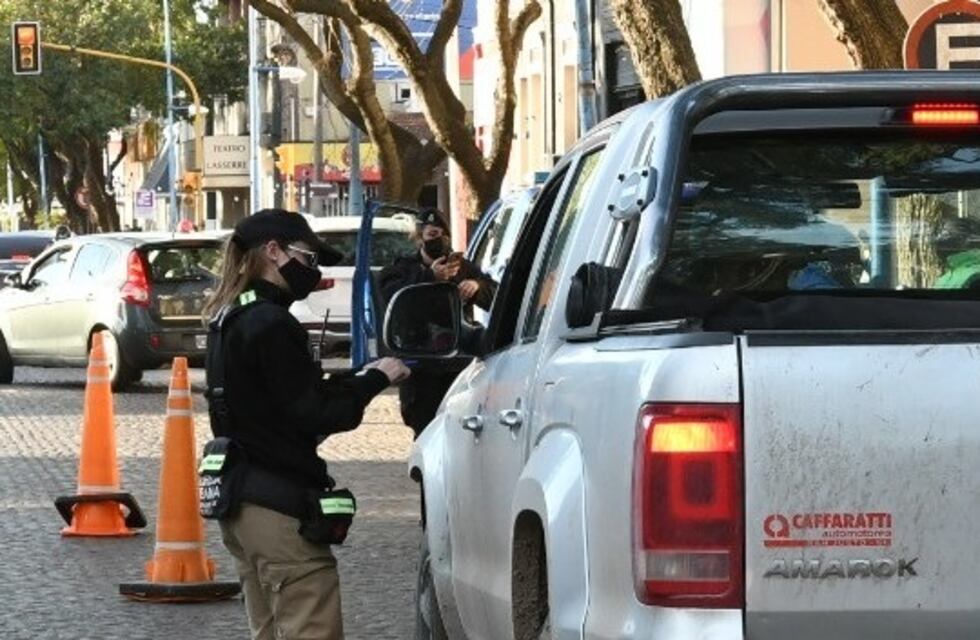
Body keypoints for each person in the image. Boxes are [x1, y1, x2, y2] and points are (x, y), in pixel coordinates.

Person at [202, 209, 410, 640]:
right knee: (310, 626)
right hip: (278, 508)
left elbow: (277, 397)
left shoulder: (230, 318)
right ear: (273, 252)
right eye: (308, 258)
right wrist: (376, 379)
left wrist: (352, 379)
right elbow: (313, 412)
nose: (313, 271)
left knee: (270, 630)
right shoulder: (272, 323)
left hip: (241, 502)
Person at [378, 207, 496, 437]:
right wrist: (430, 277)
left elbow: (499, 297)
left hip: (457, 362)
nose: (438, 240)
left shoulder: (463, 267)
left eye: (443, 235)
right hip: (422, 364)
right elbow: (393, 296)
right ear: (419, 236)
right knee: (426, 432)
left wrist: (477, 288)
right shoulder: (402, 269)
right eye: (432, 235)